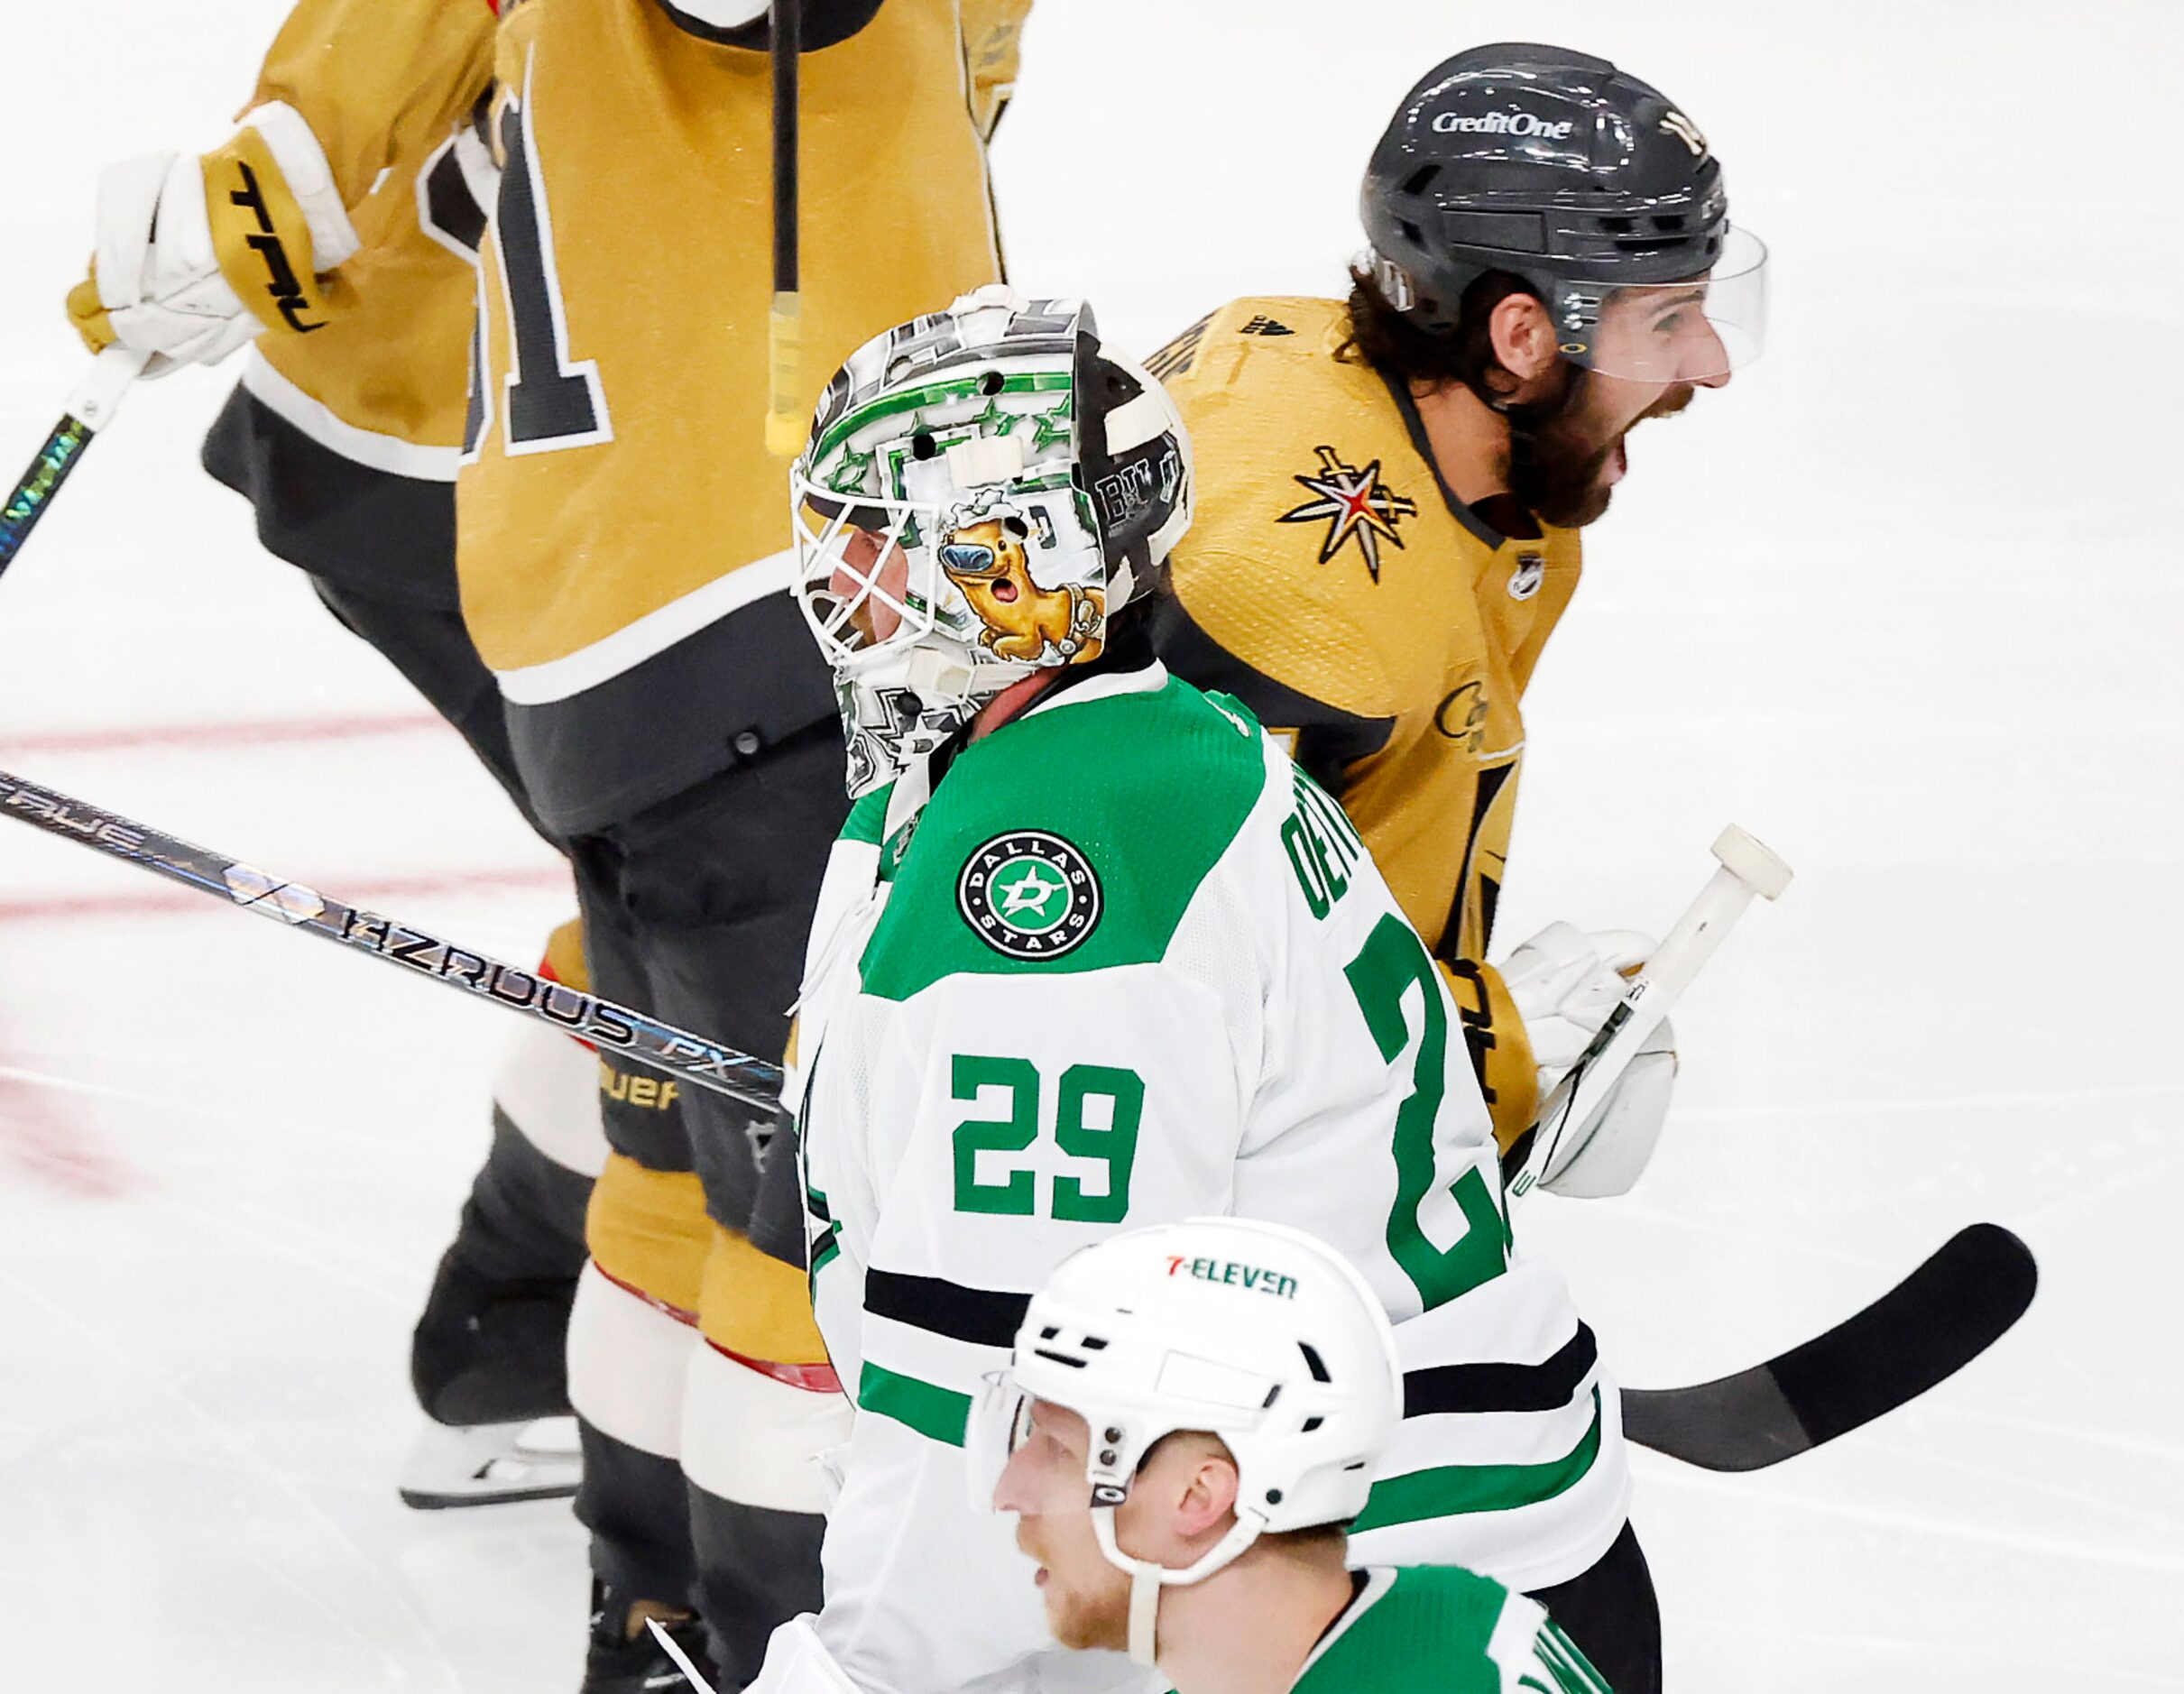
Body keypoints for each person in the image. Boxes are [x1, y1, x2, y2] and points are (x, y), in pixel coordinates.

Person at [65, 2, 1033, 1686]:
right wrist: (244, 209)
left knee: (689, 999)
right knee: (786, 1111)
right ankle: (710, 1601)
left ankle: (539, 1391)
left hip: (595, 527)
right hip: (614, 514)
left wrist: (245, 206)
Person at [756, 285, 1638, 1694]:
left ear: (1011, 565)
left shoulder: (1053, 874)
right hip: (1410, 1559)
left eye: (873, 538)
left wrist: (861, 1674)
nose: (829, 579)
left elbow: (1017, 1407)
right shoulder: (1133, 745)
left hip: (1351, 1604)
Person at [1149, 42, 1769, 1201]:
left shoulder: (1476, 472)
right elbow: (1142, 995)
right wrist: (1481, 1053)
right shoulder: (1292, 587)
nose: (1713, 362)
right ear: (1524, 338)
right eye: (1671, 316)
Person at [990, 1217, 1612, 1693]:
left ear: (1198, 1495)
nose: (1007, 1492)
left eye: (1057, 1449)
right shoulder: (1449, 1627)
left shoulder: (1463, 1664)